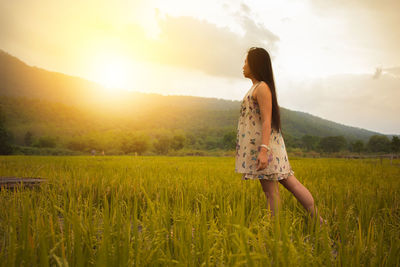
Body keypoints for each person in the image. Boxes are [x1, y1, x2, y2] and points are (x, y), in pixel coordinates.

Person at [235, 47, 326, 224]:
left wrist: (263, 150)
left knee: (273, 191)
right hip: (265, 147)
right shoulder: (256, 88)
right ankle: (318, 221)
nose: (243, 65)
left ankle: (275, 231)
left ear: (255, 64)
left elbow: (267, 121)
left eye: (246, 62)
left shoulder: (262, 88)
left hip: (266, 147)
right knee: (289, 183)